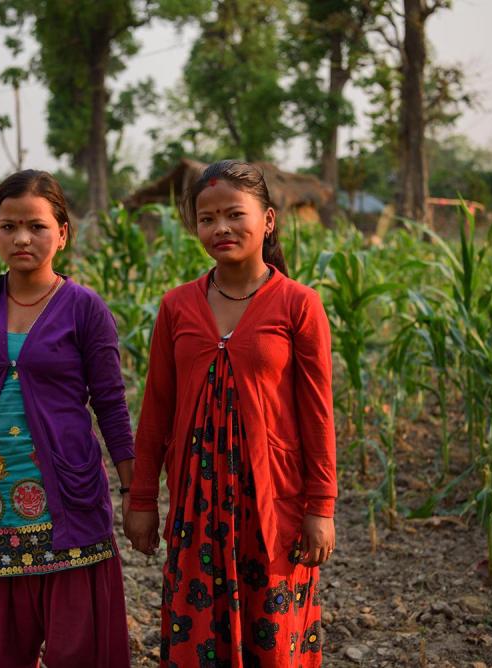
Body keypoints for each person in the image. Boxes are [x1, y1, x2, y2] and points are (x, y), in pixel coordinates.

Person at [125, 160, 338, 667]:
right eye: (206, 218)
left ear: (267, 220)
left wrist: (321, 507)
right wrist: (142, 500)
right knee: (198, 635)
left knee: (273, 638)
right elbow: (156, 409)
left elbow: (317, 415)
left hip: (273, 505)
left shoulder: (298, 305)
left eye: (233, 215)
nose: (220, 228)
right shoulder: (177, 308)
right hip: (195, 509)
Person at [0, 170, 133, 668]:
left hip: (71, 502)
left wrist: (136, 496)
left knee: (79, 649)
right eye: (7, 225)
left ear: (62, 233)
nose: (21, 238)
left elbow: (111, 405)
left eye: (37, 226)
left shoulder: (85, 308)